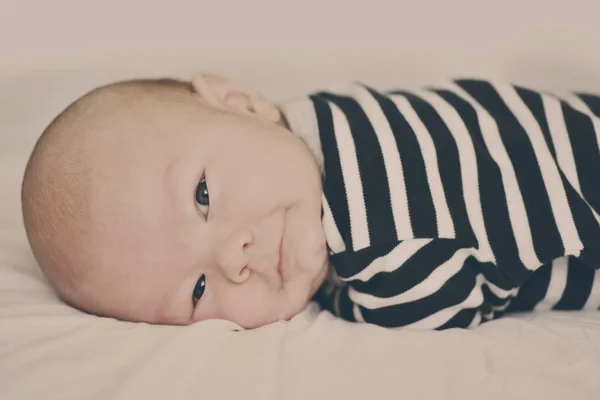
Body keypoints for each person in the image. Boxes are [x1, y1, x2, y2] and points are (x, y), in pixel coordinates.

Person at [21, 73, 600, 330]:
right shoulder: (320, 117)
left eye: (202, 196)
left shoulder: (379, 241)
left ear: (241, 101)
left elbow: (448, 302)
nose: (233, 258)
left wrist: (349, 303)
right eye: (197, 290)